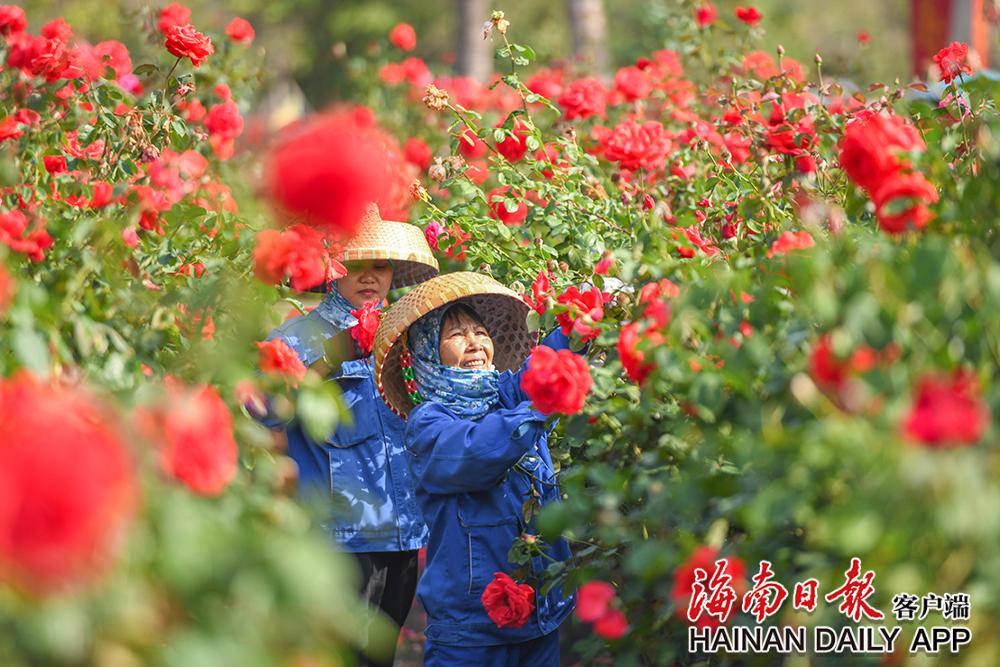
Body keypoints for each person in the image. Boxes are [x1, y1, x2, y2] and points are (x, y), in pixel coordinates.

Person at [261, 205, 438, 667]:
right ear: (331, 268)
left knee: (379, 657)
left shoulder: (405, 337)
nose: (369, 276)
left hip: (402, 533)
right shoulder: (295, 336)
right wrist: (329, 359)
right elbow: (262, 411)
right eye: (355, 263)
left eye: (380, 264)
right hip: (339, 537)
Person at [373, 272, 575, 667]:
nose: (475, 343)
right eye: (456, 335)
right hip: (472, 629)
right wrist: (540, 407)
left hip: (541, 614)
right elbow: (480, 451)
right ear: (429, 352)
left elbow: (544, 367)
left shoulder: (505, 394)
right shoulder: (428, 425)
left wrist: (579, 327)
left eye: (480, 332)